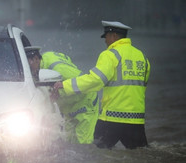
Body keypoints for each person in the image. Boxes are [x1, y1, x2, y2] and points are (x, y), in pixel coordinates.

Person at [52, 21, 150, 149]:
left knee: (95, 154)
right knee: (142, 156)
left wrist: (65, 85)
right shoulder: (142, 56)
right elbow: (143, 82)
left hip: (112, 118)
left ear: (114, 36)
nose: (105, 41)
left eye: (107, 36)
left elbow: (95, 80)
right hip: (136, 120)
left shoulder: (110, 55)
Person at [25, 46, 99, 144]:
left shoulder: (59, 69)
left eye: (29, 65)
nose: (29, 70)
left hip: (86, 105)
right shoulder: (46, 58)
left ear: (35, 59)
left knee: (84, 145)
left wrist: (60, 92)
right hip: (70, 108)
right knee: (69, 144)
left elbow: (85, 85)